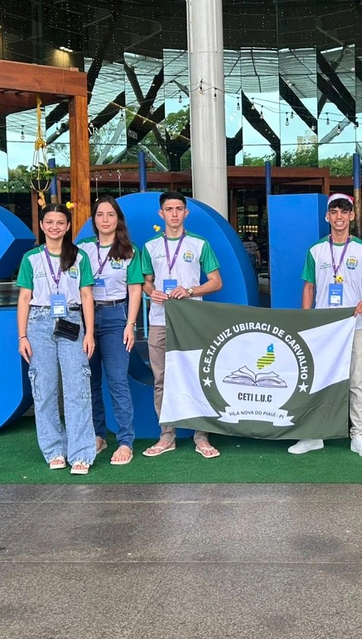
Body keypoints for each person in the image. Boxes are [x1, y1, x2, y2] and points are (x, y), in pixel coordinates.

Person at [287, 194, 362, 458]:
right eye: (334, 212)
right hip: (323, 327)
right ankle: (313, 435)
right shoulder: (315, 250)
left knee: (355, 381)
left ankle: (358, 435)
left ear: (351, 216)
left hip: (354, 324)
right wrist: (306, 321)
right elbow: (308, 288)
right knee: (318, 381)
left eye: (345, 212)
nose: (339, 217)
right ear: (327, 216)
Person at [139, 191, 223, 458]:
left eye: (179, 209)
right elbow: (146, 281)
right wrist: (151, 291)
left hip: (191, 321)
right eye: (169, 209)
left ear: (186, 213)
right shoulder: (150, 246)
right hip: (159, 320)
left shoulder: (199, 243)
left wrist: (189, 290)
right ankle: (167, 436)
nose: (174, 213)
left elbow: (216, 282)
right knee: (161, 379)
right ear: (160, 214)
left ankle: (201, 436)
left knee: (197, 376)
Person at [16, 203, 96, 473]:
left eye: (60, 222)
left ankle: (82, 453)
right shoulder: (31, 258)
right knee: (45, 389)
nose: (54, 227)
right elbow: (24, 297)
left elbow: (86, 296)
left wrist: (90, 333)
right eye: (49, 222)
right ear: (41, 226)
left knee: (77, 388)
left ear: (68, 226)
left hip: (71, 321)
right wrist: (22, 335)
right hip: (38, 322)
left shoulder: (80, 257)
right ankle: (54, 450)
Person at [77, 196, 143, 466]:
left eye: (110, 215)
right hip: (85, 318)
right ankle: (98, 435)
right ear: (94, 220)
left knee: (117, 380)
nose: (105, 219)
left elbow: (135, 289)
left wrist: (130, 324)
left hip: (117, 316)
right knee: (90, 381)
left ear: (118, 220)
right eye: (100, 214)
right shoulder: (81, 250)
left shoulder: (129, 251)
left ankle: (126, 441)